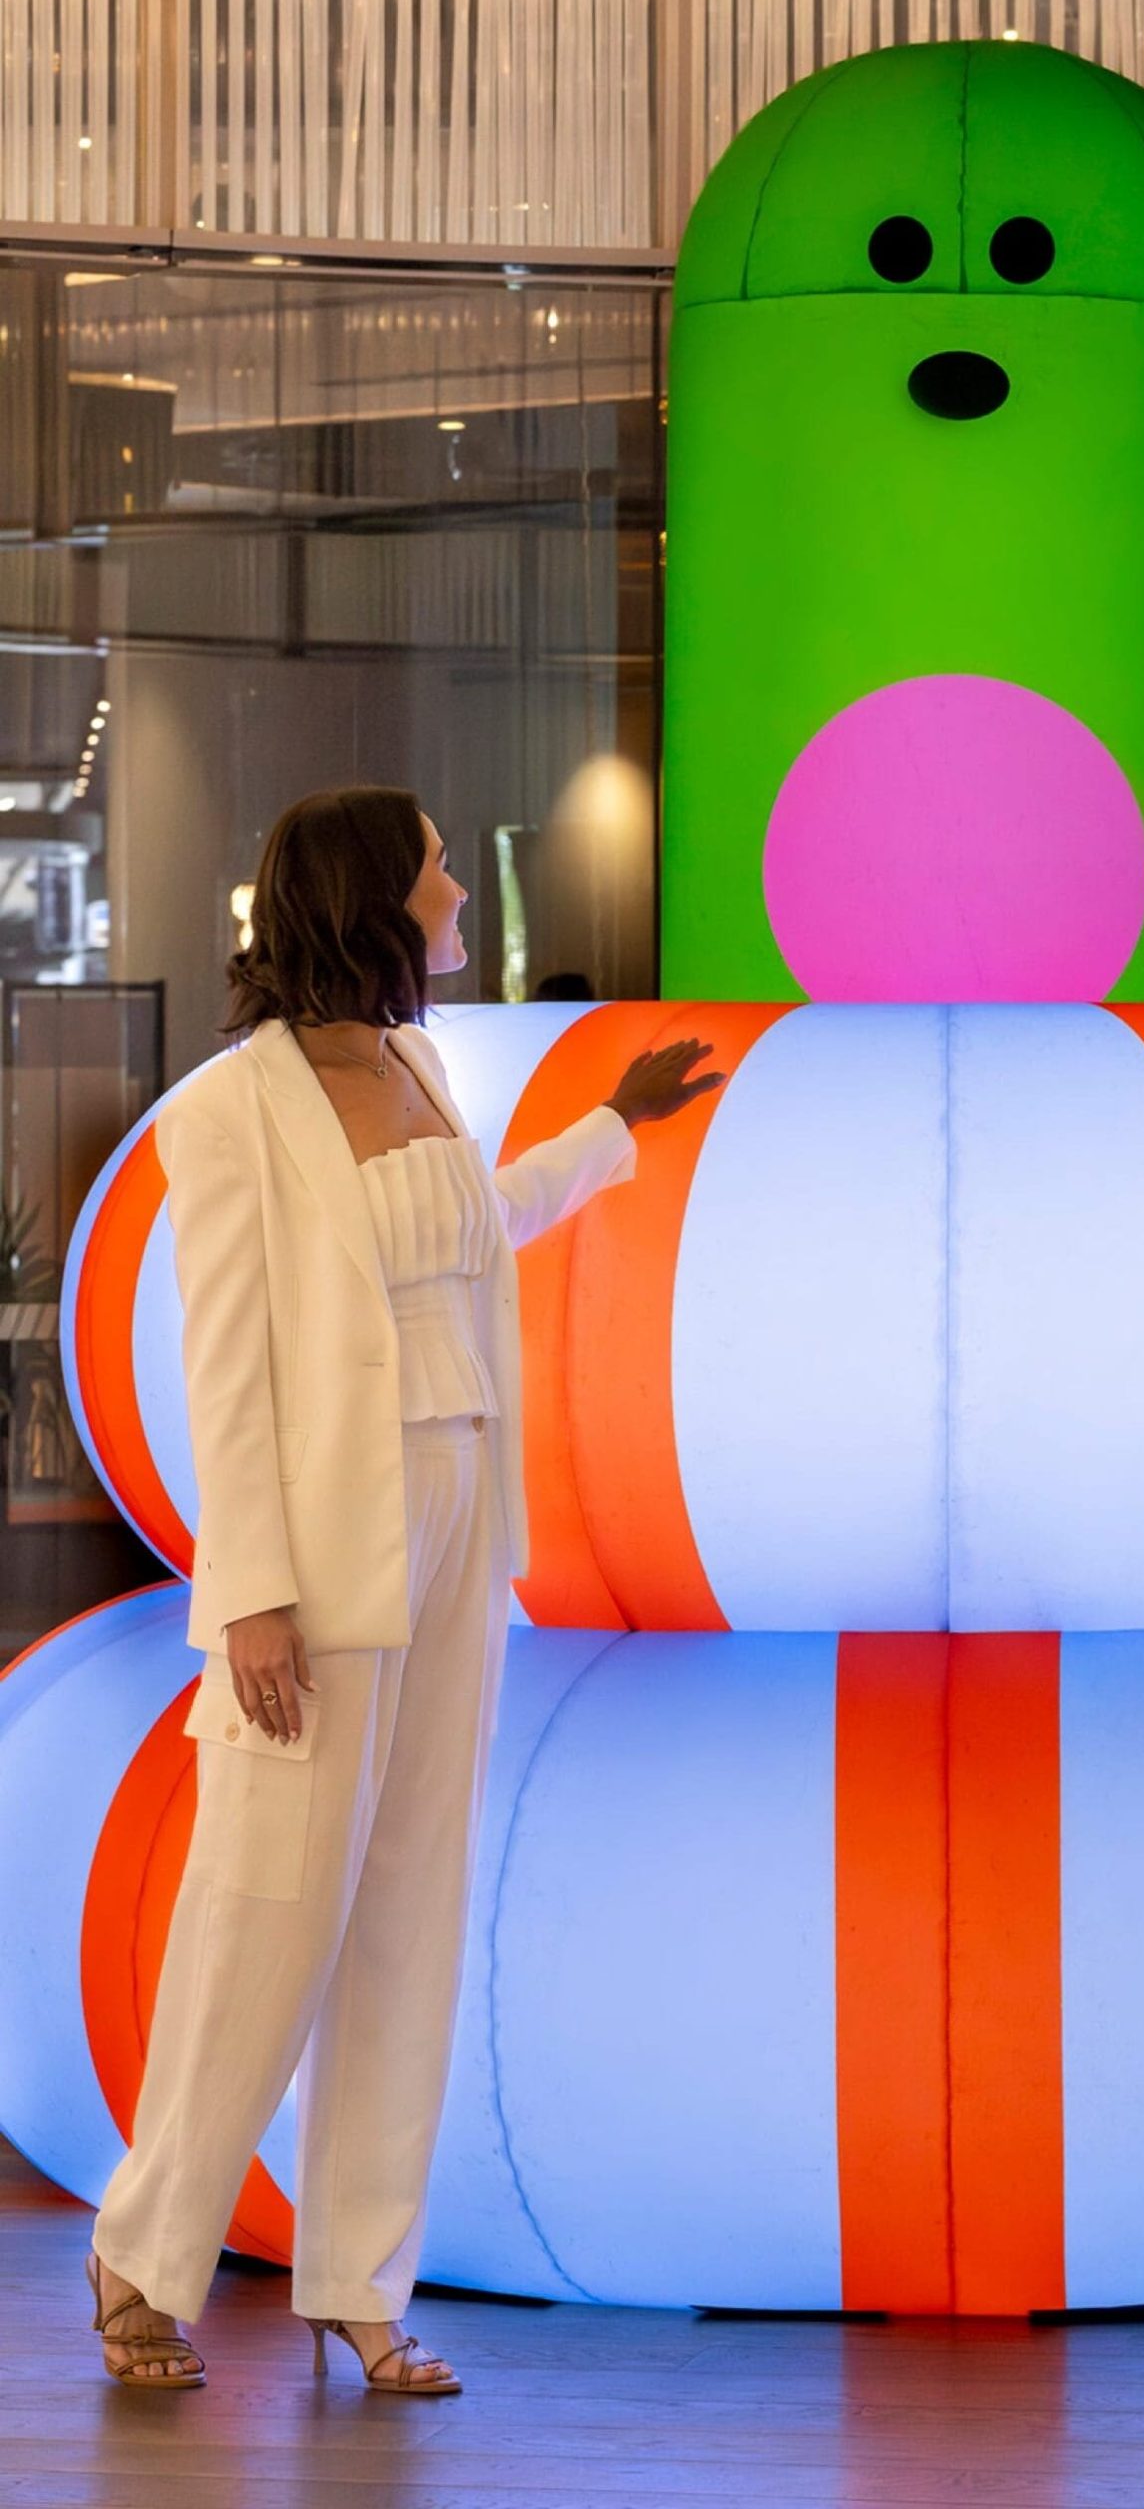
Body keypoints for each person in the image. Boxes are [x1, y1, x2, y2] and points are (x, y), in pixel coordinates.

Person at [83, 784, 720, 2393]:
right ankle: (143, 2250)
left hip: (458, 1531)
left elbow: (474, 1235)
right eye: (440, 866)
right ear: (376, 895)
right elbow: (224, 1365)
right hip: (321, 1548)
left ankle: (359, 2284)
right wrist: (249, 1594)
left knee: (410, 1909)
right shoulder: (228, 1109)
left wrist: (610, 1134)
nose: (458, 887)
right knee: (264, 1913)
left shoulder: (423, 1065)